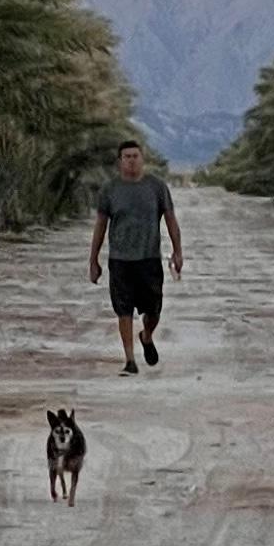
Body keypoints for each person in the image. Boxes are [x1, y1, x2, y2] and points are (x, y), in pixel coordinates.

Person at [88, 138, 183, 372]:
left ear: (143, 159)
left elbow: (171, 220)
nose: (131, 161)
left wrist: (177, 252)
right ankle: (129, 360)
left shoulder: (157, 187)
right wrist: (94, 260)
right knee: (123, 309)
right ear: (120, 162)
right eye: (127, 157)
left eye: (135, 156)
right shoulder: (110, 190)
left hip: (149, 258)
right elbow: (100, 225)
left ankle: (147, 336)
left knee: (153, 310)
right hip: (120, 259)